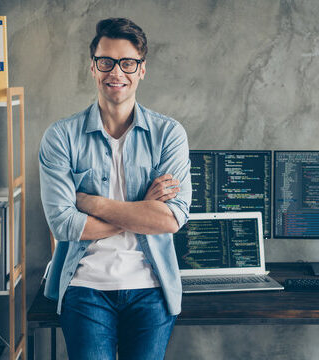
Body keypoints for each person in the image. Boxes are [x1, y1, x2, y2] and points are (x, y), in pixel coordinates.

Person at [39, 17, 192, 360]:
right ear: (93, 68)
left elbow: (172, 219)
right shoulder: (61, 137)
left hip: (152, 290)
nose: (116, 73)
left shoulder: (169, 135)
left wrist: (89, 202)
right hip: (85, 287)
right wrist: (143, 208)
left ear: (142, 70)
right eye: (106, 62)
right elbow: (63, 225)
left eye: (127, 63)